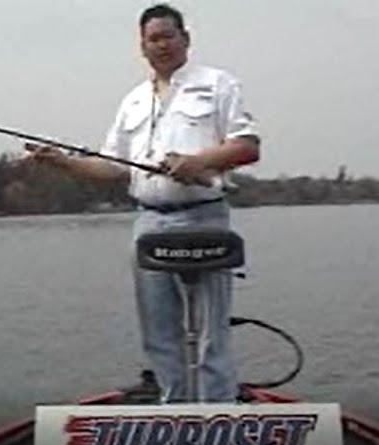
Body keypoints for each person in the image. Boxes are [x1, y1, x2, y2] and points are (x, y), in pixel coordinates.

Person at [26, 3, 260, 402]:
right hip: (148, 224)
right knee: (158, 330)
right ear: (142, 46)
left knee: (210, 332)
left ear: (185, 39)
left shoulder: (219, 84)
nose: (162, 44)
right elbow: (111, 167)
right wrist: (63, 163)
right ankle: (173, 409)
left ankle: (217, 413)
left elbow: (247, 146)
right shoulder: (132, 100)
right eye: (153, 38)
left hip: (205, 218)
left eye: (169, 36)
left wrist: (197, 162)